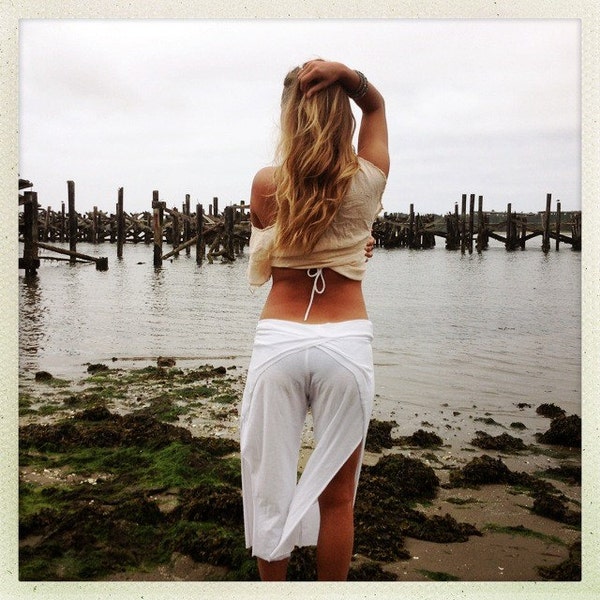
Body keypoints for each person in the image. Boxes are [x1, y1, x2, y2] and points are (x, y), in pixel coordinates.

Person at [239, 59, 389, 581]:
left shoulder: (266, 184)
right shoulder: (368, 179)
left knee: (270, 493)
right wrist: (349, 78)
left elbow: (269, 256)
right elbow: (376, 106)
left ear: (289, 115)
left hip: (279, 342)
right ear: (341, 113)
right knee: (339, 499)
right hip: (345, 343)